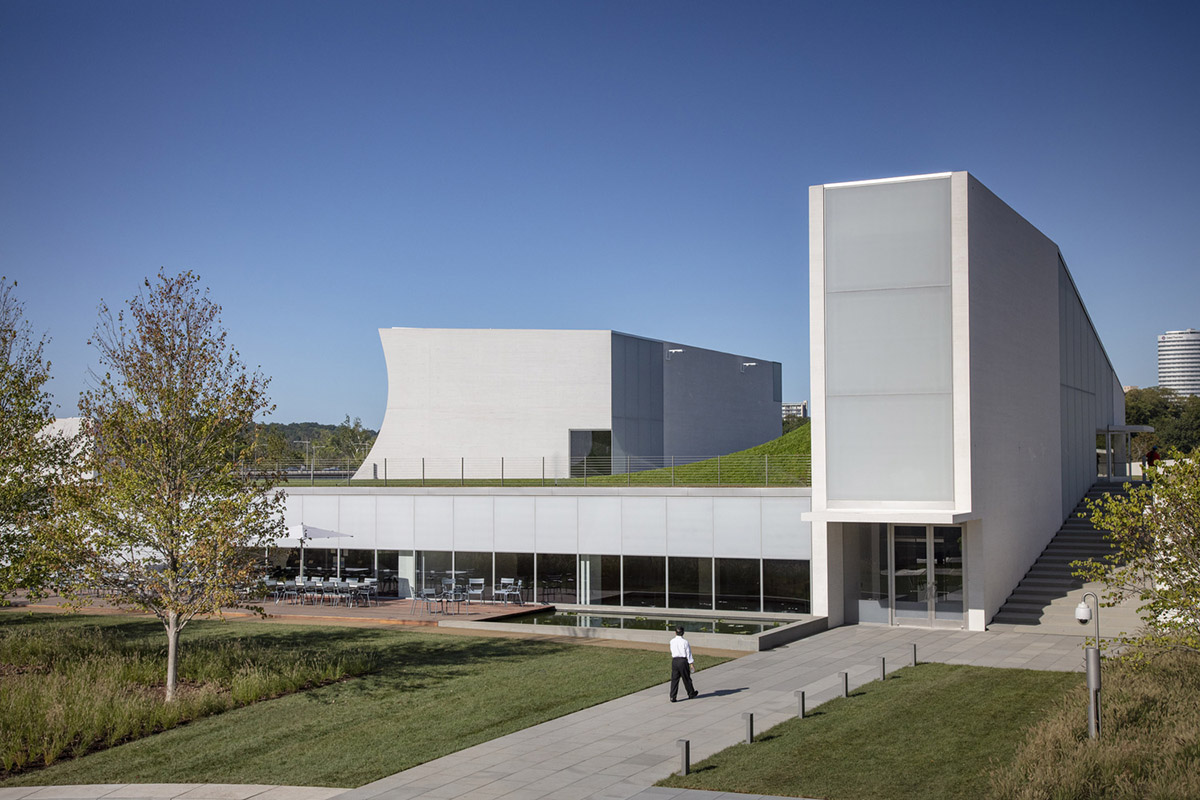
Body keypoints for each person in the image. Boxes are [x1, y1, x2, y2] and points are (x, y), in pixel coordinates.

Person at [669, 626, 699, 702]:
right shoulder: (685, 642)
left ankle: (673, 696)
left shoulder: (672, 641)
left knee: (674, 679)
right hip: (683, 661)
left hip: (675, 661)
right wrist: (691, 664)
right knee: (686, 678)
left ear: (675, 633)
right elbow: (688, 653)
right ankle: (691, 693)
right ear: (683, 633)